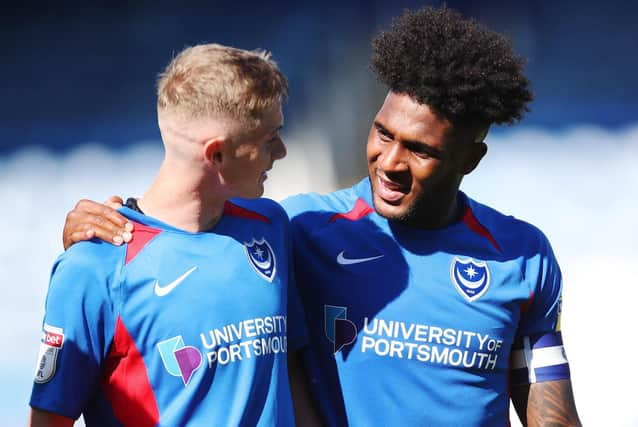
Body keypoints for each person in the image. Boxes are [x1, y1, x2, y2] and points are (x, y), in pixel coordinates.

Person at [59, 6, 582, 427]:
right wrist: (103, 223)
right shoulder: (298, 231)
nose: (390, 162)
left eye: (420, 150)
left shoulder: (521, 256)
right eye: (382, 133)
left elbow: (551, 413)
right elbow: (181, 226)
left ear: (470, 160)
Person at [29, 43, 318, 426]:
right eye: (269, 139)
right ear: (216, 155)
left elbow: (290, 371)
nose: (281, 152)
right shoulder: (93, 267)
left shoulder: (269, 226)